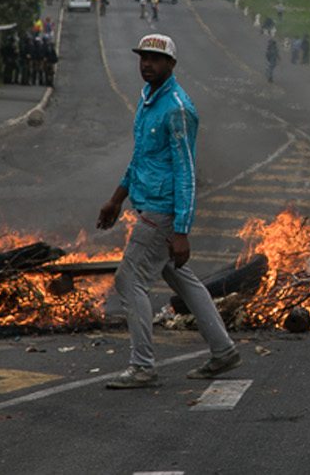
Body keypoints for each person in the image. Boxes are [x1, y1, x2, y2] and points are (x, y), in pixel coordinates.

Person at [96, 34, 241, 389]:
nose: (147, 64)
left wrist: (181, 230)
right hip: (148, 203)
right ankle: (223, 350)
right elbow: (141, 156)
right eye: (144, 58)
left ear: (171, 65)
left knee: (129, 281)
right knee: (183, 280)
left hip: (161, 213)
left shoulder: (177, 108)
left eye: (156, 59)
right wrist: (117, 198)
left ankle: (143, 366)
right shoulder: (148, 99)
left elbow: (186, 171)